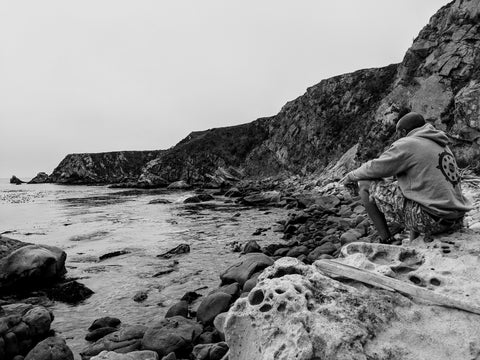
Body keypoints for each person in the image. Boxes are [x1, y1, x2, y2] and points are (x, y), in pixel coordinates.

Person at [341, 112, 472, 243]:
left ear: (403, 132)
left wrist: (350, 176)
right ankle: (413, 242)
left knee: (364, 183)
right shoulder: (441, 143)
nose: (397, 137)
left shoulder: (408, 143)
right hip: (456, 219)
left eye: (398, 134)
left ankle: (386, 239)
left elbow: (374, 168)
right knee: (411, 188)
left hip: (433, 221)